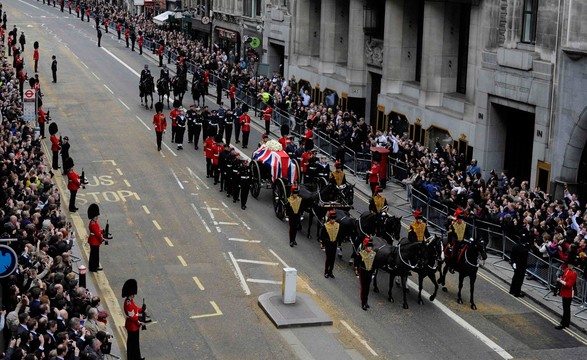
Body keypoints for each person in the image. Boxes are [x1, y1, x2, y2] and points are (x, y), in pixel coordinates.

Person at [122, 279, 145, 360]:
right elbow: (132, 316)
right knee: (133, 343)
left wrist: (141, 309)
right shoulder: (128, 303)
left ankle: (136, 357)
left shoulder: (130, 301)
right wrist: (139, 322)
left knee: (134, 343)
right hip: (132, 326)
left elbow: (135, 309)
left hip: (133, 326)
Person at [555, 257, 577, 330]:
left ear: (573, 266)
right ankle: (566, 323)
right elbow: (564, 278)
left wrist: (560, 281)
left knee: (566, 309)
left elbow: (569, 285)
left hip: (569, 293)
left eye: (570, 265)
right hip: (564, 291)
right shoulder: (566, 270)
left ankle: (563, 323)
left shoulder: (573, 273)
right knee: (565, 308)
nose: (569, 266)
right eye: (569, 264)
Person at [358, 237, 376, 310]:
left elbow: (374, 264)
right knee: (363, 288)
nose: (370, 248)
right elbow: (356, 264)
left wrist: (373, 273)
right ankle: (363, 303)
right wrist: (357, 273)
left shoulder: (373, 254)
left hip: (369, 272)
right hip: (363, 272)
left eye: (371, 247)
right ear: (365, 247)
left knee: (367, 288)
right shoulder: (361, 254)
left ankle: (366, 302)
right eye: (368, 247)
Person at [321, 210, 340, 278]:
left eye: (334, 219)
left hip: (334, 243)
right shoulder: (326, 226)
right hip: (328, 243)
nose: (333, 220)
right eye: (332, 219)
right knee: (328, 258)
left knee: (333, 259)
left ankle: (330, 271)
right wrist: (323, 244)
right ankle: (326, 271)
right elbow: (322, 236)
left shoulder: (337, 225)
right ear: (329, 219)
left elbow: (338, 235)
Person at [87, 204, 106, 272]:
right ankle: (93, 267)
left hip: (95, 241)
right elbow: (97, 233)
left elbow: (98, 231)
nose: (97, 217)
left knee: (95, 254)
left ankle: (96, 266)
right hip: (94, 241)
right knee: (94, 255)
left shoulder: (93, 222)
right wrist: (102, 239)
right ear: (93, 216)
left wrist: (102, 231)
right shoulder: (93, 224)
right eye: (96, 216)